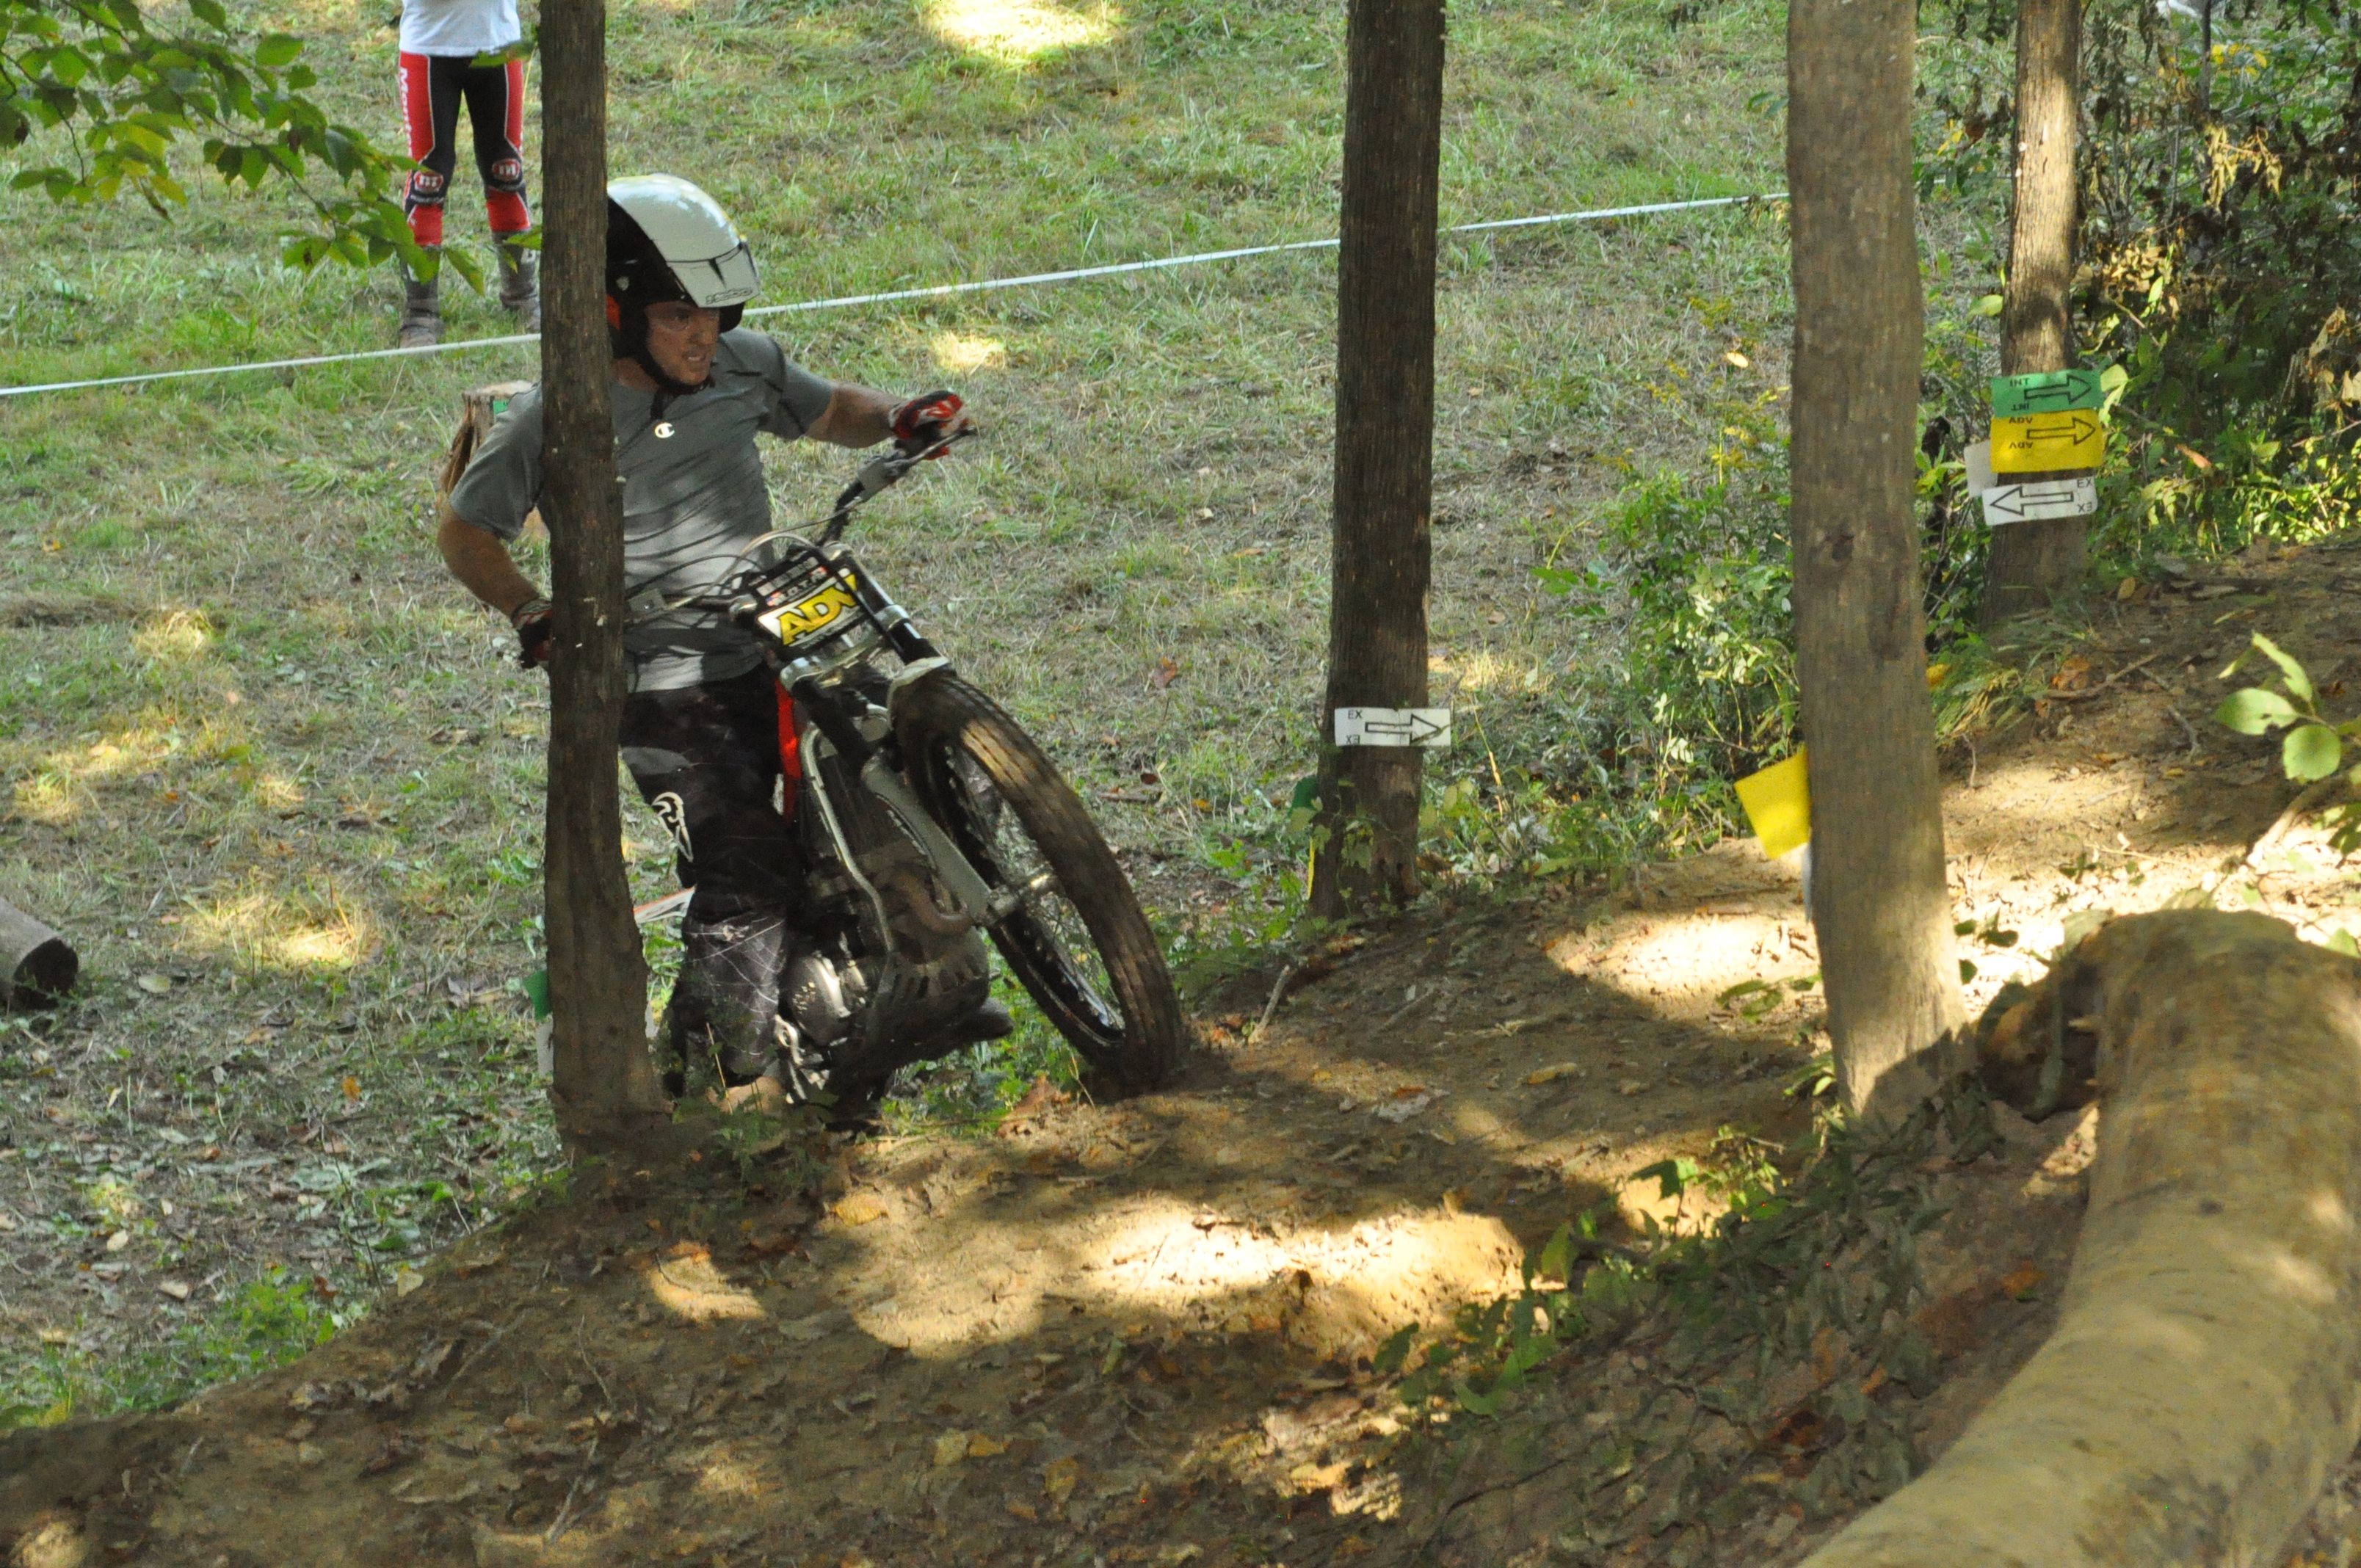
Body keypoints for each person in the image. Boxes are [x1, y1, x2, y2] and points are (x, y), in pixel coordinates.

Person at [435, 174, 991, 1104]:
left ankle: (907, 991)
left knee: (915, 773)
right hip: (662, 680)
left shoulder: (743, 365)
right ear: (614, 310)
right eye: (679, 315)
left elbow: (828, 410)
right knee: (743, 868)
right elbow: (464, 531)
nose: (706, 336)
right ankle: (731, 1083)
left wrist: (898, 416)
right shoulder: (555, 416)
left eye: (718, 313)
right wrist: (532, 611)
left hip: (777, 641)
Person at [395, 0, 540, 346]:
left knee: (506, 171)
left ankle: (523, 296)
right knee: (427, 178)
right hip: (429, 49)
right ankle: (420, 312)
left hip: (499, 46)